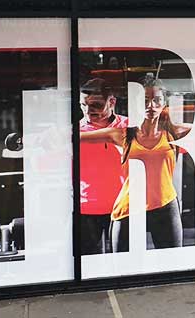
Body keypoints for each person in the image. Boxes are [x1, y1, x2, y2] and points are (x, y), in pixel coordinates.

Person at [81, 77, 195, 251]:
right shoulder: (121, 133)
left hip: (164, 206)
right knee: (124, 269)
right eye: (145, 100)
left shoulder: (174, 131)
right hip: (129, 207)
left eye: (156, 100)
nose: (151, 106)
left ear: (164, 103)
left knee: (172, 263)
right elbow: (76, 136)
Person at [79, 78, 128, 255]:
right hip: (86, 208)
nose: (88, 111)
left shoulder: (128, 127)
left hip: (123, 207)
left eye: (96, 105)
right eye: (83, 105)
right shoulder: (75, 132)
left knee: (124, 264)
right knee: (90, 265)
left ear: (112, 102)